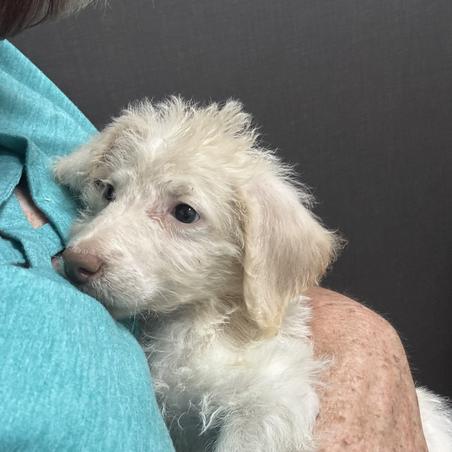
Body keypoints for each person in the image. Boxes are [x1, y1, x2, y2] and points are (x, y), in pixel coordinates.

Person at [0, 1, 428, 450]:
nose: (86, 245)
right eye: (110, 193)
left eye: (184, 213)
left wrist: (361, 337)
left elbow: (272, 397)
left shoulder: (18, 83)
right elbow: (75, 169)